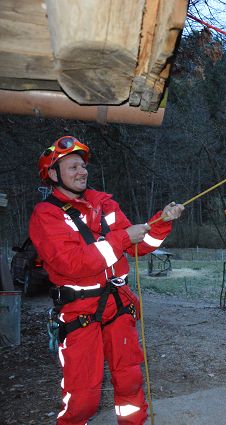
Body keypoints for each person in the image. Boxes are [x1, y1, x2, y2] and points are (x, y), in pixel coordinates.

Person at [29, 136, 184, 425]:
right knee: (83, 397)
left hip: (118, 305)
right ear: (53, 175)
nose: (82, 172)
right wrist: (123, 238)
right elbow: (72, 263)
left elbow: (140, 244)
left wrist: (162, 220)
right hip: (79, 311)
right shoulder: (46, 215)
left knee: (129, 382)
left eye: (83, 166)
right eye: (73, 167)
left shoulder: (104, 204)